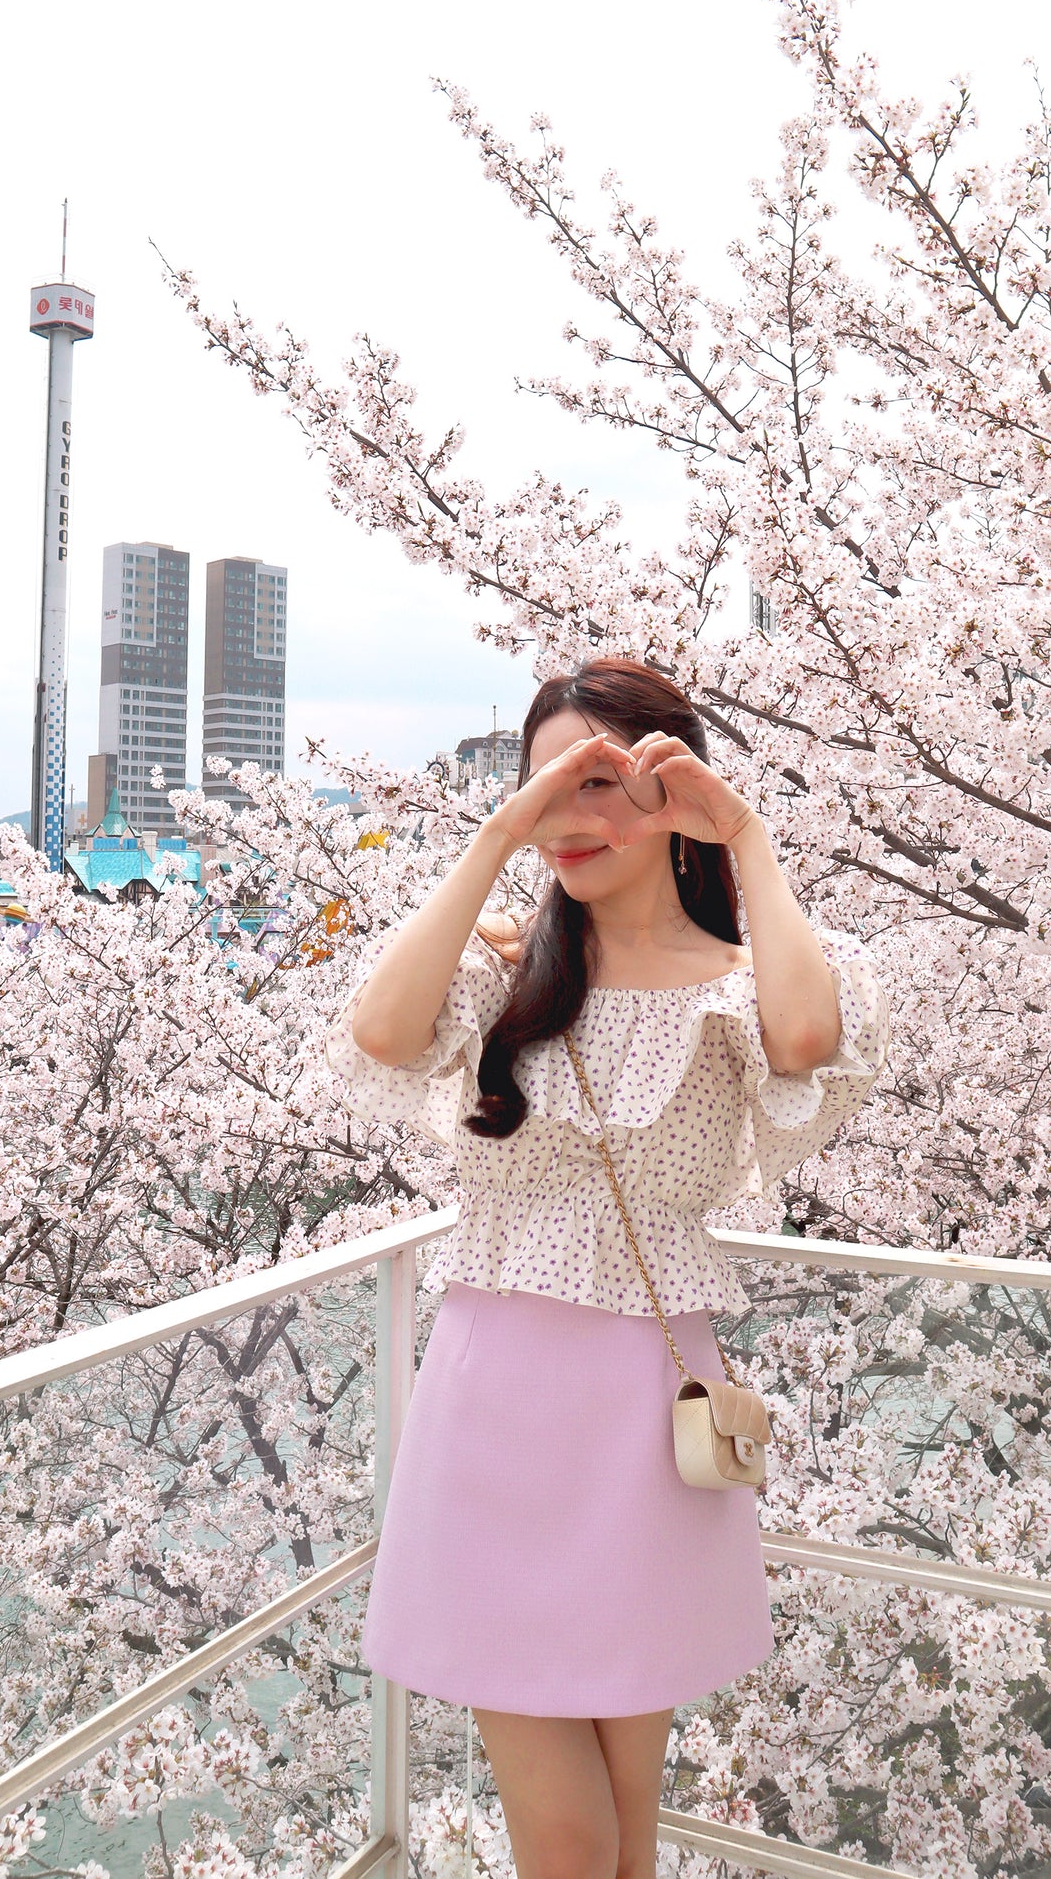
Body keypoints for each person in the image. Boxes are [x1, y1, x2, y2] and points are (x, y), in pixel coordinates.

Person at [323, 656, 890, 1879]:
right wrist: (495, 830)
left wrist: (746, 833)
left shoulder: (739, 984)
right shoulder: (502, 965)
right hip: (492, 1411)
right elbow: (380, 1029)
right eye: (547, 789)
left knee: (630, 1823)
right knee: (572, 1842)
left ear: (672, 790)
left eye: (601, 783)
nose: (570, 818)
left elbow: (806, 1037)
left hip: (650, 1423)